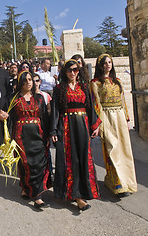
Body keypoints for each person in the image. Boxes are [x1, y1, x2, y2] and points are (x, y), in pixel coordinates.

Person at [50, 59, 101, 211]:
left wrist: (95, 125)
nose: (73, 72)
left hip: (83, 126)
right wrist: (53, 130)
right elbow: (55, 111)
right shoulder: (59, 89)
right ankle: (76, 196)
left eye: (76, 69)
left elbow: (90, 107)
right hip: (66, 126)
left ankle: (84, 191)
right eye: (70, 70)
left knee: (84, 157)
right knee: (71, 160)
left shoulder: (84, 87)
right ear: (64, 72)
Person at [1, 71, 51, 209]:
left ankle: (37, 196)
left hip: (38, 135)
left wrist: (47, 136)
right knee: (25, 164)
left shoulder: (39, 98)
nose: (29, 82)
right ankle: (26, 187)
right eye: (26, 80)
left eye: (31, 80)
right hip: (21, 136)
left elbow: (45, 119)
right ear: (20, 82)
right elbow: (6, 114)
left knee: (39, 164)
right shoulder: (13, 98)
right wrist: (3, 116)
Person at [91, 54, 137, 198]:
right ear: (100, 65)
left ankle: (126, 181)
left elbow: (123, 100)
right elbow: (95, 104)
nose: (107, 65)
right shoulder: (95, 83)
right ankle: (115, 182)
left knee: (124, 151)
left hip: (120, 118)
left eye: (109, 62)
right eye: (104, 63)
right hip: (107, 117)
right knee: (112, 149)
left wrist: (127, 119)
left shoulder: (117, 81)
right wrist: (97, 124)